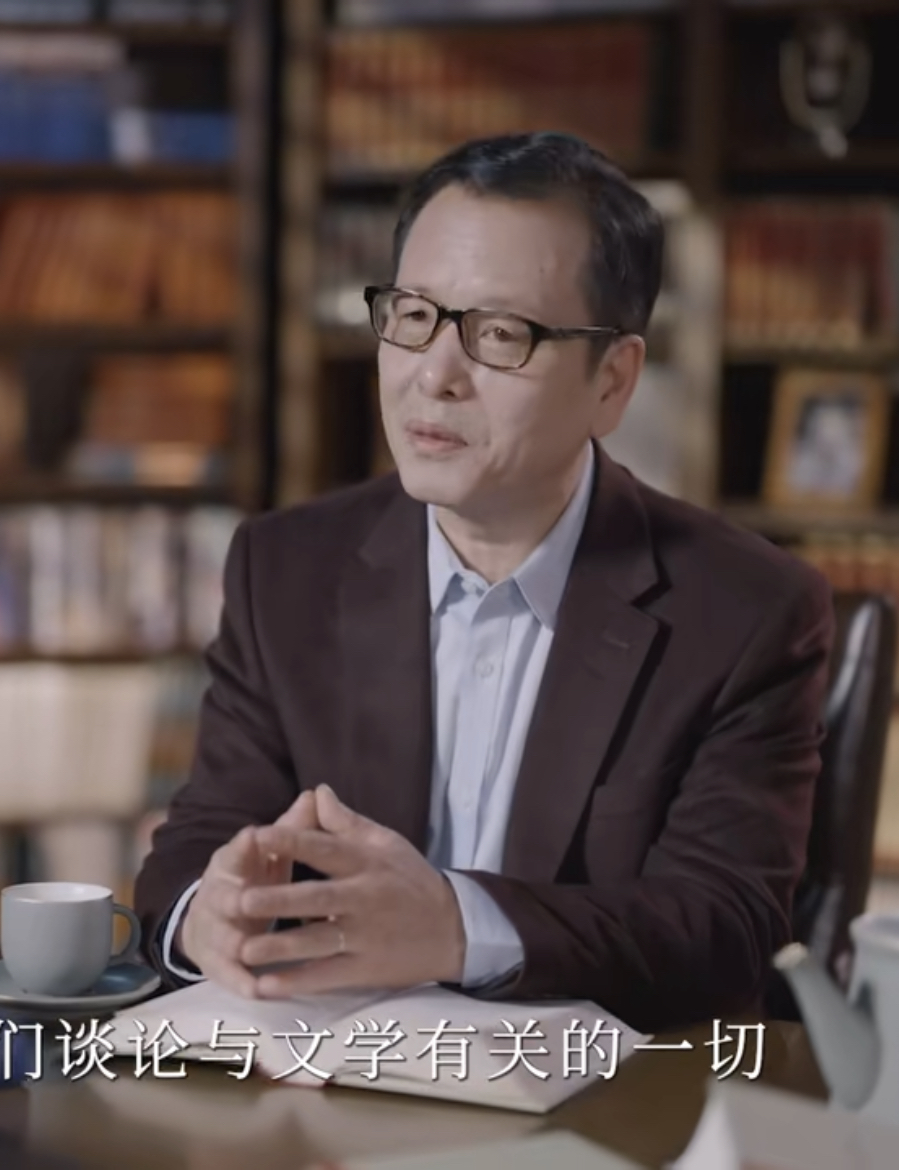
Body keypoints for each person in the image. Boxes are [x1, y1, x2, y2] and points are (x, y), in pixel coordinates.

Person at [130, 132, 834, 1035]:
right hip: (321, 1085)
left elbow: (723, 934)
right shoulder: (286, 569)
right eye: (413, 316)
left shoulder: (744, 612)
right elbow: (196, 846)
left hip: (595, 1093)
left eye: (500, 335)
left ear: (612, 381)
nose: (435, 376)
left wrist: (457, 930)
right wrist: (207, 914)